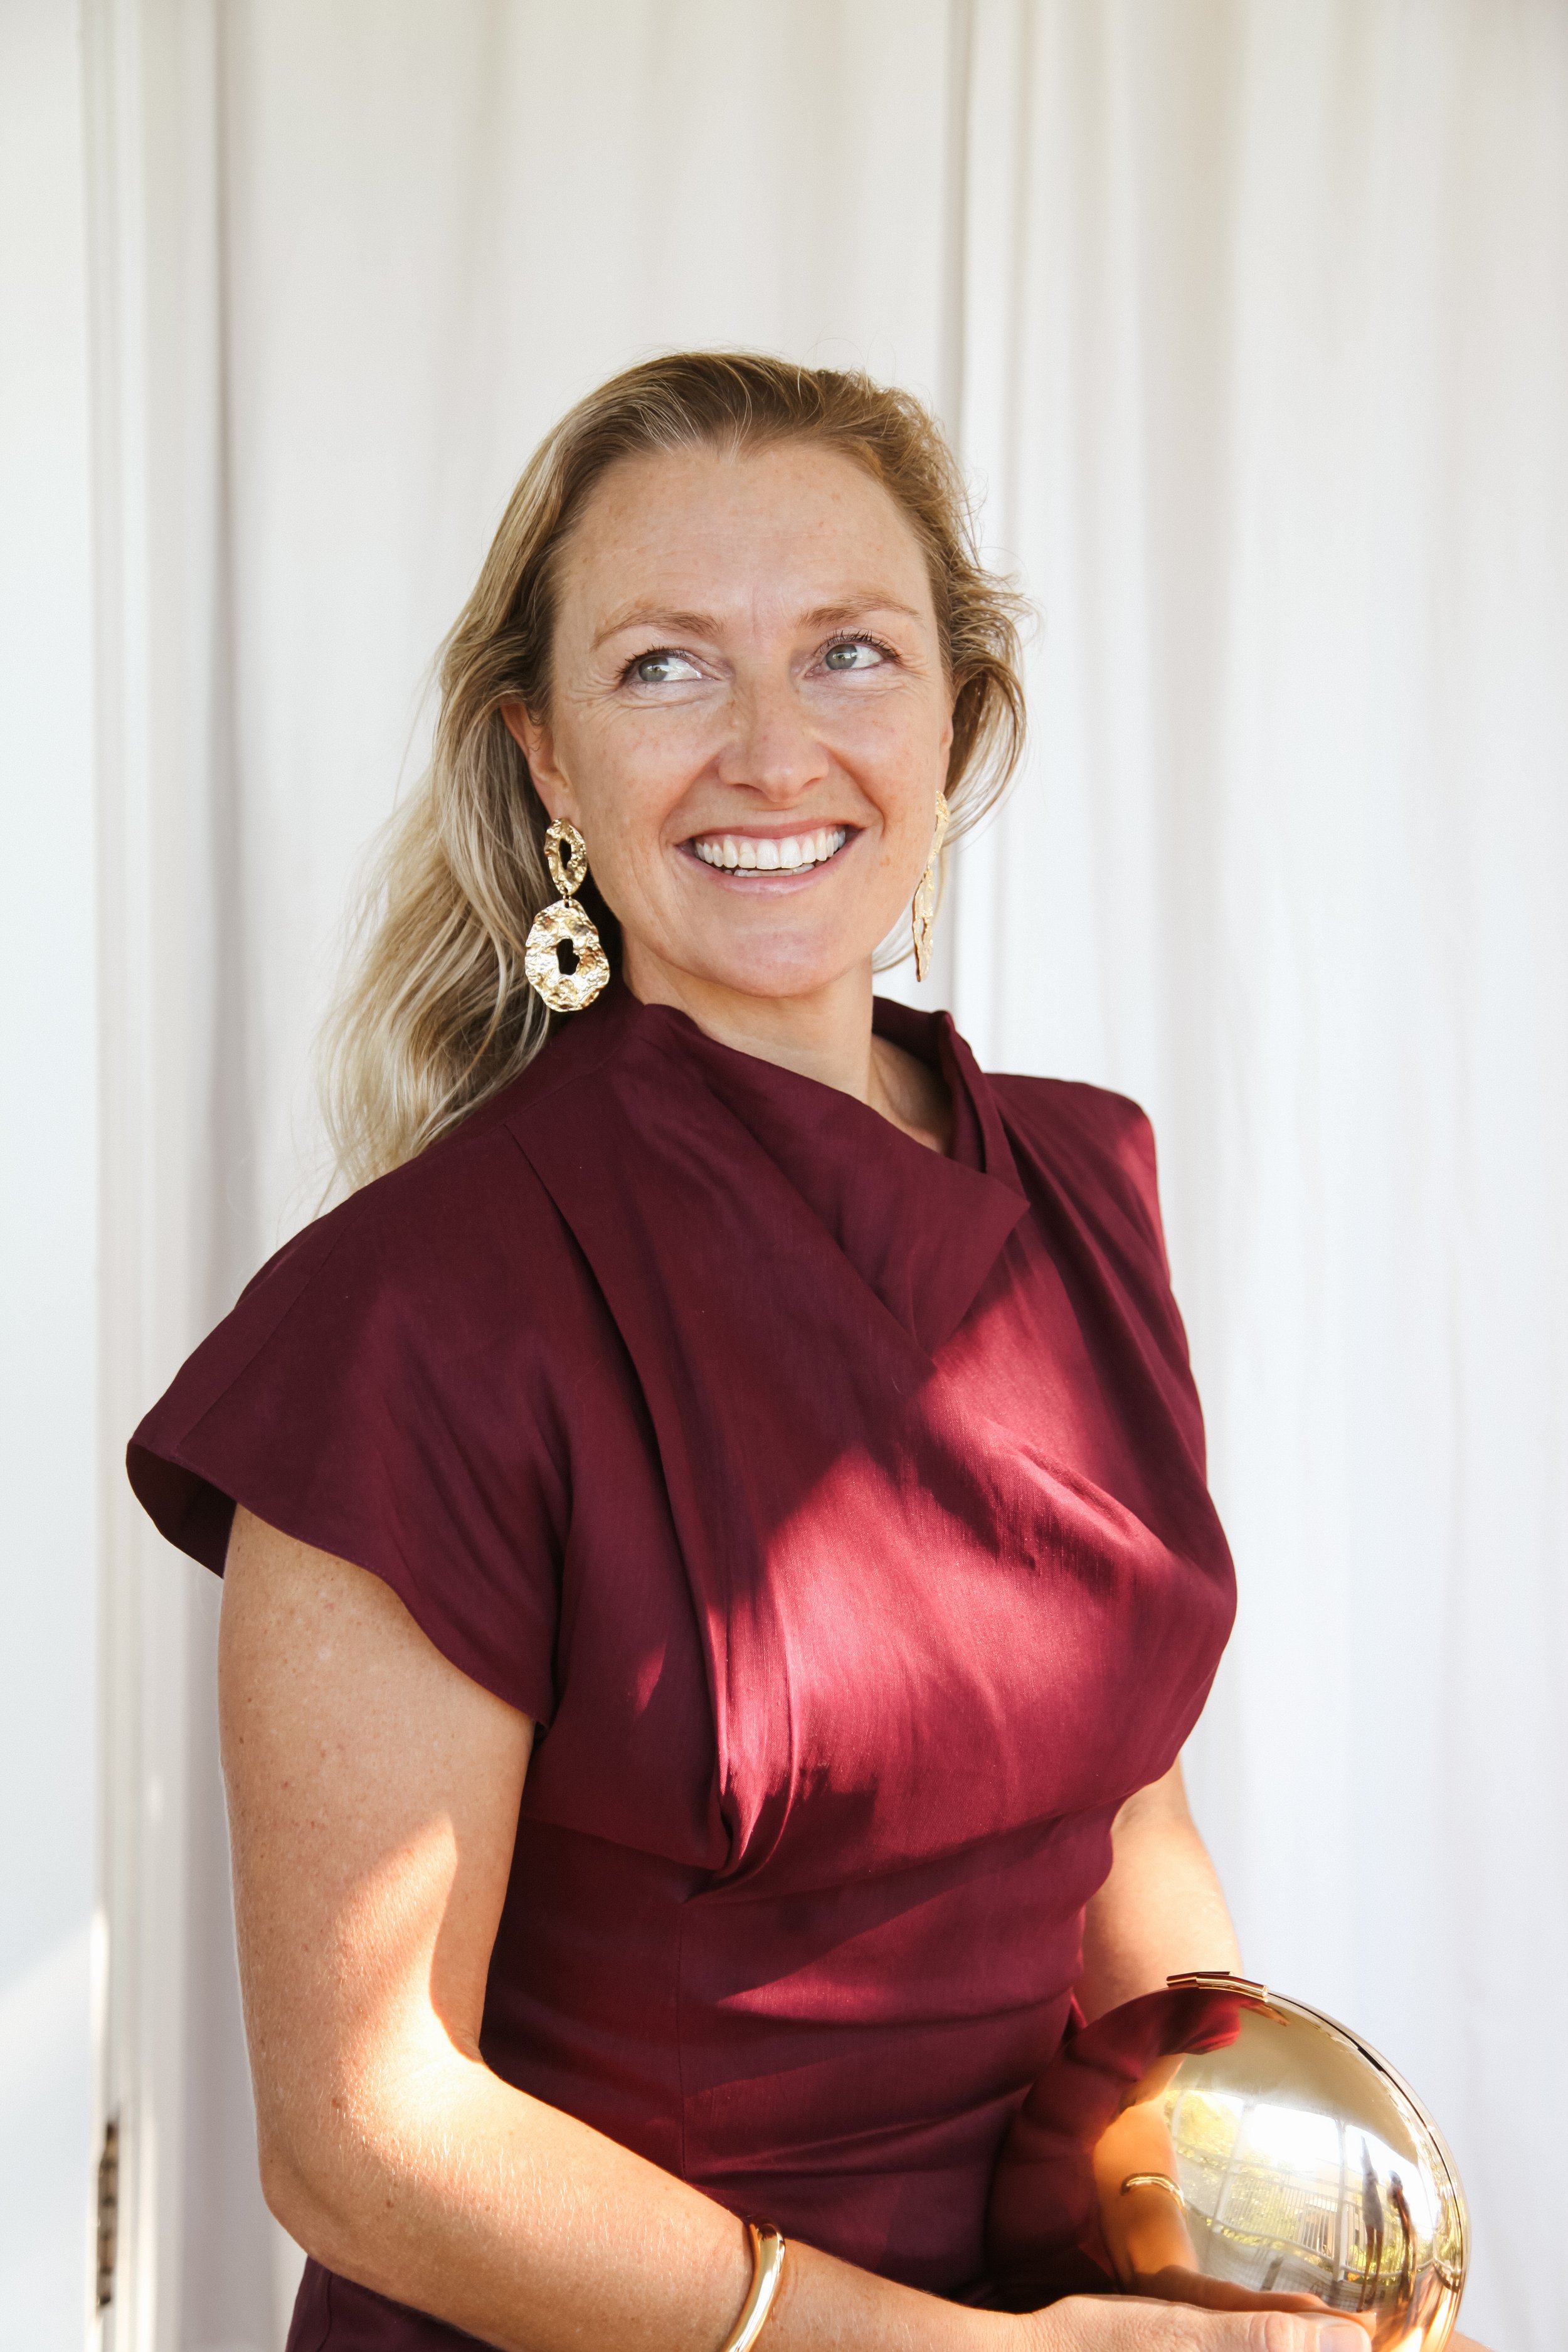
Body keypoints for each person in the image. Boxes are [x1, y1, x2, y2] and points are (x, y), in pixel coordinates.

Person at [127, 354, 1403, 2352]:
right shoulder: (409, 1322)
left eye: (847, 654)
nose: (770, 752)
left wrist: (1255, 2265)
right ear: (542, 756)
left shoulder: (1084, 1183)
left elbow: (1118, 1809)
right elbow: (363, 2139)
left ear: (957, 715)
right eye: (663, 669)